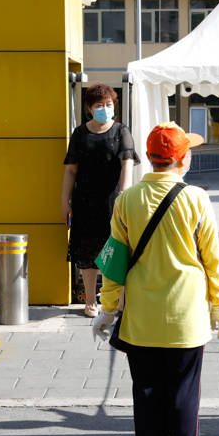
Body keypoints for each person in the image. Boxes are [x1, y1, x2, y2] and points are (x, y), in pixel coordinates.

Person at [93, 122, 219, 436]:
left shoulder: (127, 200)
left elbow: (114, 264)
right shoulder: (197, 199)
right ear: (182, 158)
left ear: (152, 158)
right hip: (187, 317)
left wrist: (106, 310)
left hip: (141, 319)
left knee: (147, 395)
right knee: (184, 395)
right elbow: (212, 260)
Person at [62, 83, 139, 317]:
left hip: (113, 202)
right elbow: (70, 171)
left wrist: (123, 196)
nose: (104, 108)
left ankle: (117, 299)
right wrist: (64, 200)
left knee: (115, 250)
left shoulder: (121, 131)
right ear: (89, 108)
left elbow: (127, 164)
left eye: (108, 104)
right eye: (99, 105)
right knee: (87, 253)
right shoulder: (80, 134)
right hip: (84, 202)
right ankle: (90, 300)